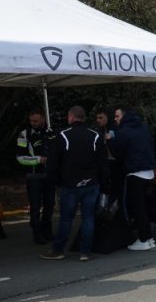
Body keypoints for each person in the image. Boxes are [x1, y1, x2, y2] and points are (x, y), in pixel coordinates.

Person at [41, 106, 109, 261]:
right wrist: (104, 183)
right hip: (91, 183)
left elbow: (52, 164)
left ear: (71, 117)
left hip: (69, 184)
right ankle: (85, 252)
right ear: (84, 118)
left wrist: (57, 182)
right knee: (88, 217)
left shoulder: (62, 135)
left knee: (66, 218)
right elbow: (103, 163)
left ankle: (58, 250)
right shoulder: (96, 136)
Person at [109, 107, 156, 251]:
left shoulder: (123, 132)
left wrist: (110, 140)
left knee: (137, 208)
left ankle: (143, 239)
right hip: (149, 172)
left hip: (135, 174)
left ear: (124, 116)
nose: (115, 119)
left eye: (117, 116)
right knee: (143, 207)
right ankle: (149, 238)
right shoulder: (143, 127)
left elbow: (117, 153)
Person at [16, 108, 54, 244]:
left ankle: (47, 231)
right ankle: (37, 234)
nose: (33, 123)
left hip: (49, 176)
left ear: (43, 119)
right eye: (31, 121)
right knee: (35, 206)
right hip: (34, 177)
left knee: (50, 205)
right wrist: (38, 160)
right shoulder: (23, 135)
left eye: (36, 121)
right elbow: (20, 158)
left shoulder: (51, 133)